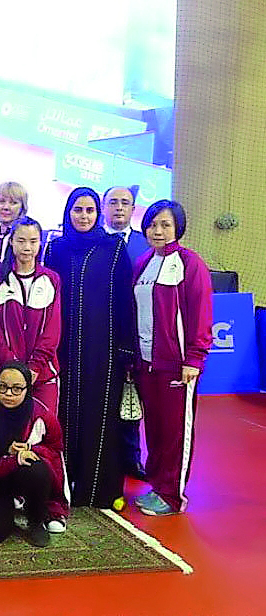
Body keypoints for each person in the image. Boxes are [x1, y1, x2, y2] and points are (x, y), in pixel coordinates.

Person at [42, 187, 134, 508]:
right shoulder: (56, 249)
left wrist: (126, 348)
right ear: (68, 213)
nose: (83, 216)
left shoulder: (113, 249)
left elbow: (126, 299)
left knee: (100, 415)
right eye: (77, 210)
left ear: (98, 214)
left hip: (103, 350)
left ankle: (96, 491)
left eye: (90, 210)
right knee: (64, 413)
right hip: (63, 346)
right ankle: (61, 488)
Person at [131, 200, 213, 516]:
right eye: (153, 224)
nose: (159, 231)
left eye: (165, 224)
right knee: (154, 429)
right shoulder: (142, 264)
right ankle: (157, 486)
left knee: (176, 430)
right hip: (146, 365)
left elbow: (202, 314)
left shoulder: (191, 265)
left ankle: (172, 495)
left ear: (178, 227)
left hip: (178, 367)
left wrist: (194, 358)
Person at [0, 361, 69, 547]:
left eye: (16, 389)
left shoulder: (43, 414)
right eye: (3, 387)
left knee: (37, 468)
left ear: (27, 389)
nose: (8, 394)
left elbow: (56, 452)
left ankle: (36, 520)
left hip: (26, 475)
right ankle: (4, 508)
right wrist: (10, 459)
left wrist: (30, 451)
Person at [0, 216, 62, 414]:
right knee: (9, 436)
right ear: (11, 242)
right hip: (8, 377)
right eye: (21, 241)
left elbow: (52, 332)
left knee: (41, 435)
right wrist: (13, 370)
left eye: (33, 241)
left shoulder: (51, 280)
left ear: (40, 242)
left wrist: (33, 369)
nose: (27, 247)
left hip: (43, 375)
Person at [102, 185, 148, 479]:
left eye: (125, 203)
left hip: (134, 337)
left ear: (133, 209)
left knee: (130, 400)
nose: (119, 208)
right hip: (97, 334)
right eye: (113, 202)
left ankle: (131, 459)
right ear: (103, 208)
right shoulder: (92, 242)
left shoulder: (146, 245)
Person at [0, 181, 28, 266]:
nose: (6, 207)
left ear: (22, 207)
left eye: (13, 203)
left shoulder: (26, 238)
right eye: (1, 201)